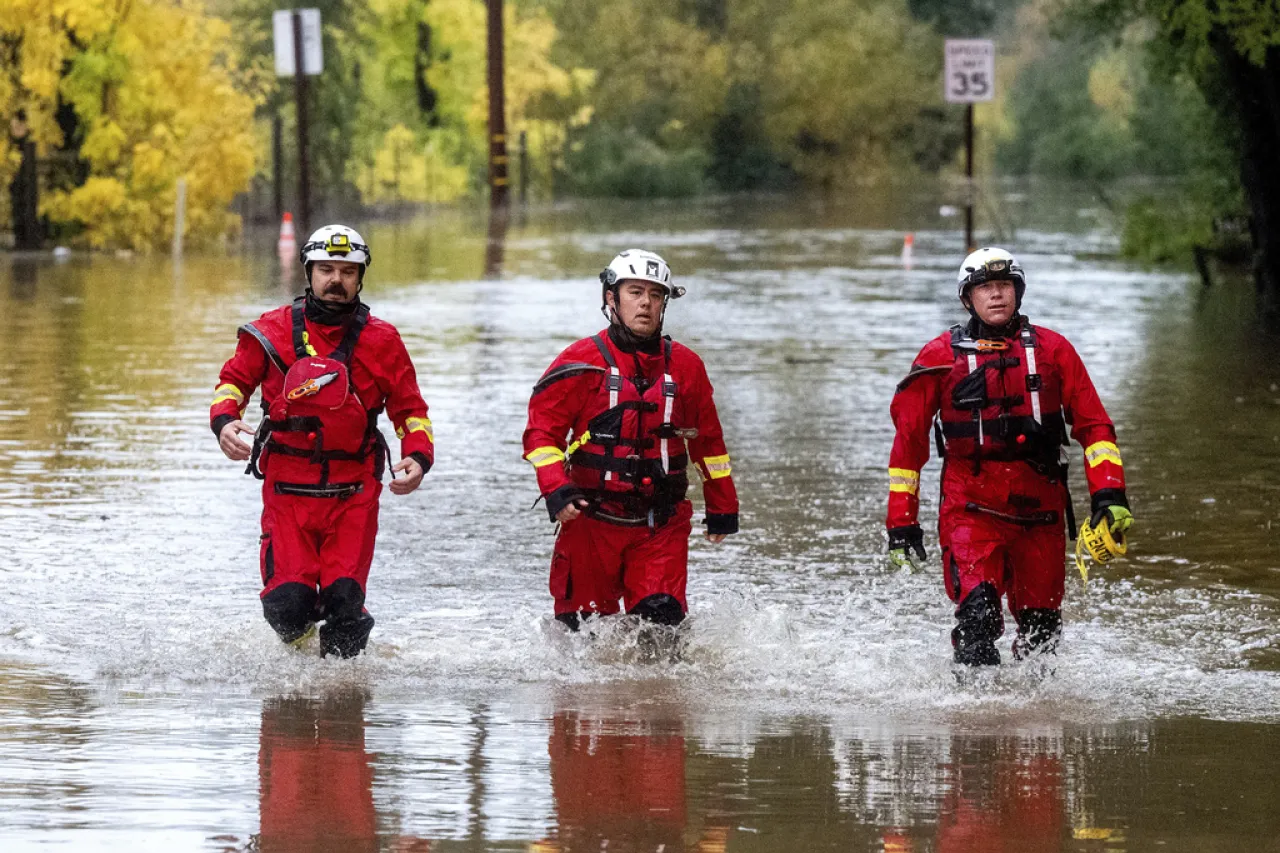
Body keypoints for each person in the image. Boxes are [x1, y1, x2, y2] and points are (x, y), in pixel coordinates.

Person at [886, 247, 1133, 666]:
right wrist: (902, 522)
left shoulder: (1055, 352)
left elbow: (1095, 428)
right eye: (985, 288)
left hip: (1042, 513)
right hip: (971, 510)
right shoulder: (939, 358)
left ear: (1018, 292)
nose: (997, 295)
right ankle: (972, 724)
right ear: (968, 298)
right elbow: (909, 442)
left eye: (1004, 286)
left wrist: (1109, 494)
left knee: (1042, 637)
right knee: (977, 622)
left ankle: (1033, 726)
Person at [211, 225, 433, 658]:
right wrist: (224, 422)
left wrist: (418, 458)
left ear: (360, 277)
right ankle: (303, 664)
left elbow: (410, 410)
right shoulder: (269, 331)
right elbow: (232, 383)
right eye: (326, 269)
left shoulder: (383, 341)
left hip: (354, 491)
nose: (336, 280)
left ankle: (343, 705)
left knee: (346, 606)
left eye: (347, 271)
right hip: (287, 489)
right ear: (308, 272)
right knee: (286, 605)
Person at [522, 249, 739, 633]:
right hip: (590, 522)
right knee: (581, 638)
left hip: (660, 524)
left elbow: (708, 442)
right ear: (611, 298)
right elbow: (542, 434)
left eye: (655, 295)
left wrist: (722, 502)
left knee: (662, 631)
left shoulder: (687, 367)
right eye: (635, 292)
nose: (646, 303)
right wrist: (556, 488)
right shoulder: (579, 361)